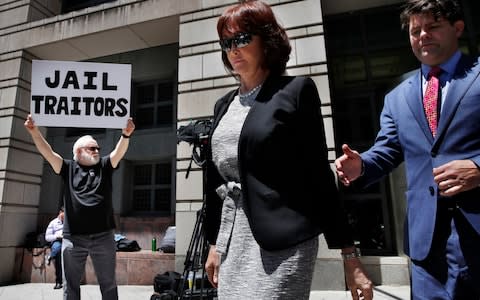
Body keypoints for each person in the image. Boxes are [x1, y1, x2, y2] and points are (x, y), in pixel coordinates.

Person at [203, 1, 373, 299]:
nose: (233, 49)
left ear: (266, 41)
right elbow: (215, 183)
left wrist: (349, 256)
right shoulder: (223, 105)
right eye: (227, 42)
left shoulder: (296, 92)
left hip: (283, 243)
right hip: (233, 242)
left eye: (242, 38)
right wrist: (215, 245)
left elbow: (319, 177)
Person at [335, 0, 480, 298]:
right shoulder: (397, 98)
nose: (423, 35)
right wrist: (361, 165)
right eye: (416, 31)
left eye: (433, 27)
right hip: (427, 250)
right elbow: (387, 151)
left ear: (458, 28)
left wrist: (479, 169)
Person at [24, 114, 135, 300]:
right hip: (73, 238)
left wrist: (126, 135)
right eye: (92, 148)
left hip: (103, 236)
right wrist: (34, 132)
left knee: (108, 284)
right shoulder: (67, 168)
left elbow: (118, 152)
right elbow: (48, 152)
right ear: (79, 151)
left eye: (98, 148)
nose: (97, 150)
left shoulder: (105, 166)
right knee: (71, 286)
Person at [45, 206, 65, 289]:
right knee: (58, 250)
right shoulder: (53, 223)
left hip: (67, 241)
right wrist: (57, 236)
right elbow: (47, 237)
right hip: (57, 241)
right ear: (60, 213)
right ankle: (58, 282)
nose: (64, 217)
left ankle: (50, 256)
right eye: (63, 215)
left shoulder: (69, 222)